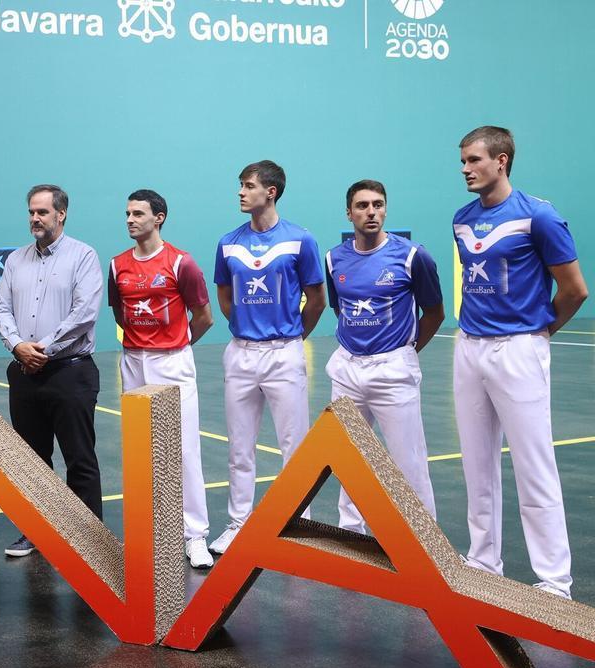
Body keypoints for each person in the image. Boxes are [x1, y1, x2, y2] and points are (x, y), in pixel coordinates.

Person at [452, 126, 588, 599]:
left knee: (534, 463)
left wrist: (540, 332)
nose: (465, 169)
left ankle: (554, 580)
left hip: (520, 348)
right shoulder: (462, 219)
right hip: (469, 347)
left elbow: (574, 290)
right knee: (476, 462)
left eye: (474, 160)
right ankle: (483, 562)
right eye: (463, 161)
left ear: (502, 160)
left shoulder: (539, 217)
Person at [210, 160, 326, 555]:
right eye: (240, 185)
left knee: (294, 444)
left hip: (285, 354)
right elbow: (225, 297)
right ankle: (238, 523)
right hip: (240, 355)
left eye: (248, 186)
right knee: (239, 447)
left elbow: (317, 299)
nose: (241, 192)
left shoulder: (300, 240)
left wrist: (291, 338)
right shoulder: (228, 242)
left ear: (270, 192)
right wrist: (246, 326)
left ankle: (300, 523)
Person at [324, 180, 442, 532]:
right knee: (349, 457)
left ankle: (424, 541)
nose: (370, 211)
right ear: (349, 213)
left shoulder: (412, 256)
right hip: (347, 369)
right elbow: (339, 309)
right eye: (362, 205)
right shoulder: (334, 258)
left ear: (386, 209)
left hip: (394, 371)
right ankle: (351, 531)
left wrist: (404, 351)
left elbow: (434, 313)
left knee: (409, 461)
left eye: (377, 204)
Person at [0, 184, 103, 558]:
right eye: (31, 212)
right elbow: (1, 309)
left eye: (42, 212)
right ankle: (36, 534)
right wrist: (18, 346)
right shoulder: (15, 261)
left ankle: (89, 540)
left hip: (70, 372)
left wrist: (44, 347)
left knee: (80, 459)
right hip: (25, 373)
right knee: (32, 462)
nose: (35, 219)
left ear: (61, 214)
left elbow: (84, 312)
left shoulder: (83, 256)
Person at [108, 189, 215, 568]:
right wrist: (141, 344)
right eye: (127, 214)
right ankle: (147, 532)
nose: (130, 220)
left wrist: (175, 345)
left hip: (174, 363)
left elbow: (204, 317)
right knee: (139, 451)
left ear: (160, 217)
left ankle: (195, 536)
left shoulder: (181, 263)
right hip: (133, 363)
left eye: (138, 213)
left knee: (185, 449)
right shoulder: (117, 264)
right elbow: (120, 315)